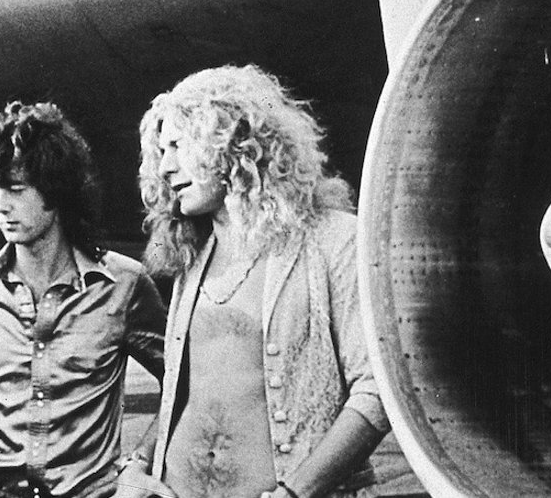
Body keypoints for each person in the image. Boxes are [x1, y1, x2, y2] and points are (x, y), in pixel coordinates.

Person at [115, 65, 424, 498]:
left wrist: (295, 493)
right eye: (161, 151)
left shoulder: (332, 240)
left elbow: (376, 391)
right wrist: (137, 464)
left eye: (178, 146)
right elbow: (184, 395)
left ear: (231, 142)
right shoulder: (193, 255)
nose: (165, 167)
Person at [0, 101, 166, 498]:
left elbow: (182, 387)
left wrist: (139, 464)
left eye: (16, 189)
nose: (1, 205)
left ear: (56, 189)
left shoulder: (123, 285)